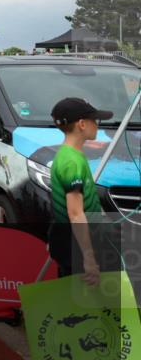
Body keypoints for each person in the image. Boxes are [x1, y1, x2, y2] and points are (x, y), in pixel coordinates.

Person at [46, 97, 121, 283]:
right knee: (84, 304)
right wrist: (88, 259)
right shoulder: (72, 162)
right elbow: (75, 213)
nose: (97, 125)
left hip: (76, 241)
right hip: (77, 246)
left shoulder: (71, 155)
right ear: (81, 124)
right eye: (94, 120)